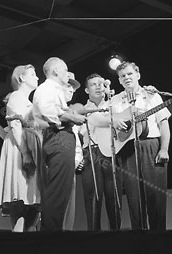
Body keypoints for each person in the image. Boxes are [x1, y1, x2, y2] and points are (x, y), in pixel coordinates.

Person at [111, 61, 171, 231]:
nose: (126, 78)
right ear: (119, 81)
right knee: (134, 197)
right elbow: (109, 125)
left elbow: (164, 124)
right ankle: (139, 238)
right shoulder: (115, 101)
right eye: (123, 76)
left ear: (138, 75)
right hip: (127, 149)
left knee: (155, 196)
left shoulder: (152, 95)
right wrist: (116, 122)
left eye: (130, 74)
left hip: (151, 145)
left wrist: (164, 148)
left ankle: (159, 237)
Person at [32, 57, 87, 231]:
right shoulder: (47, 88)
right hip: (59, 137)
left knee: (60, 193)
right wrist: (73, 117)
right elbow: (49, 112)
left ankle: (52, 234)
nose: (66, 74)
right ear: (56, 71)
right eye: (64, 70)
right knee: (57, 193)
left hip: (60, 138)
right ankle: (49, 238)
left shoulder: (53, 90)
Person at [0, 64, 42, 232]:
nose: (37, 77)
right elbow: (15, 126)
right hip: (20, 147)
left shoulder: (27, 101)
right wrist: (26, 154)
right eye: (33, 74)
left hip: (30, 146)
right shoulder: (15, 97)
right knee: (20, 200)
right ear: (21, 78)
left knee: (31, 205)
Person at [78, 73, 123, 231]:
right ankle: (94, 238)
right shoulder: (84, 110)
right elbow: (93, 121)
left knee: (115, 198)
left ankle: (116, 235)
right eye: (93, 84)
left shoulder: (114, 105)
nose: (98, 87)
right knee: (93, 199)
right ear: (86, 90)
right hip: (92, 154)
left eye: (101, 83)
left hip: (112, 153)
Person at [61, 72, 83, 231]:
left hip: (71, 167)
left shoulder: (75, 113)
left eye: (73, 87)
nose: (71, 90)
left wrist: (79, 159)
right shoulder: (50, 109)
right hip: (55, 166)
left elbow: (79, 140)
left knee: (69, 210)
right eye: (67, 85)